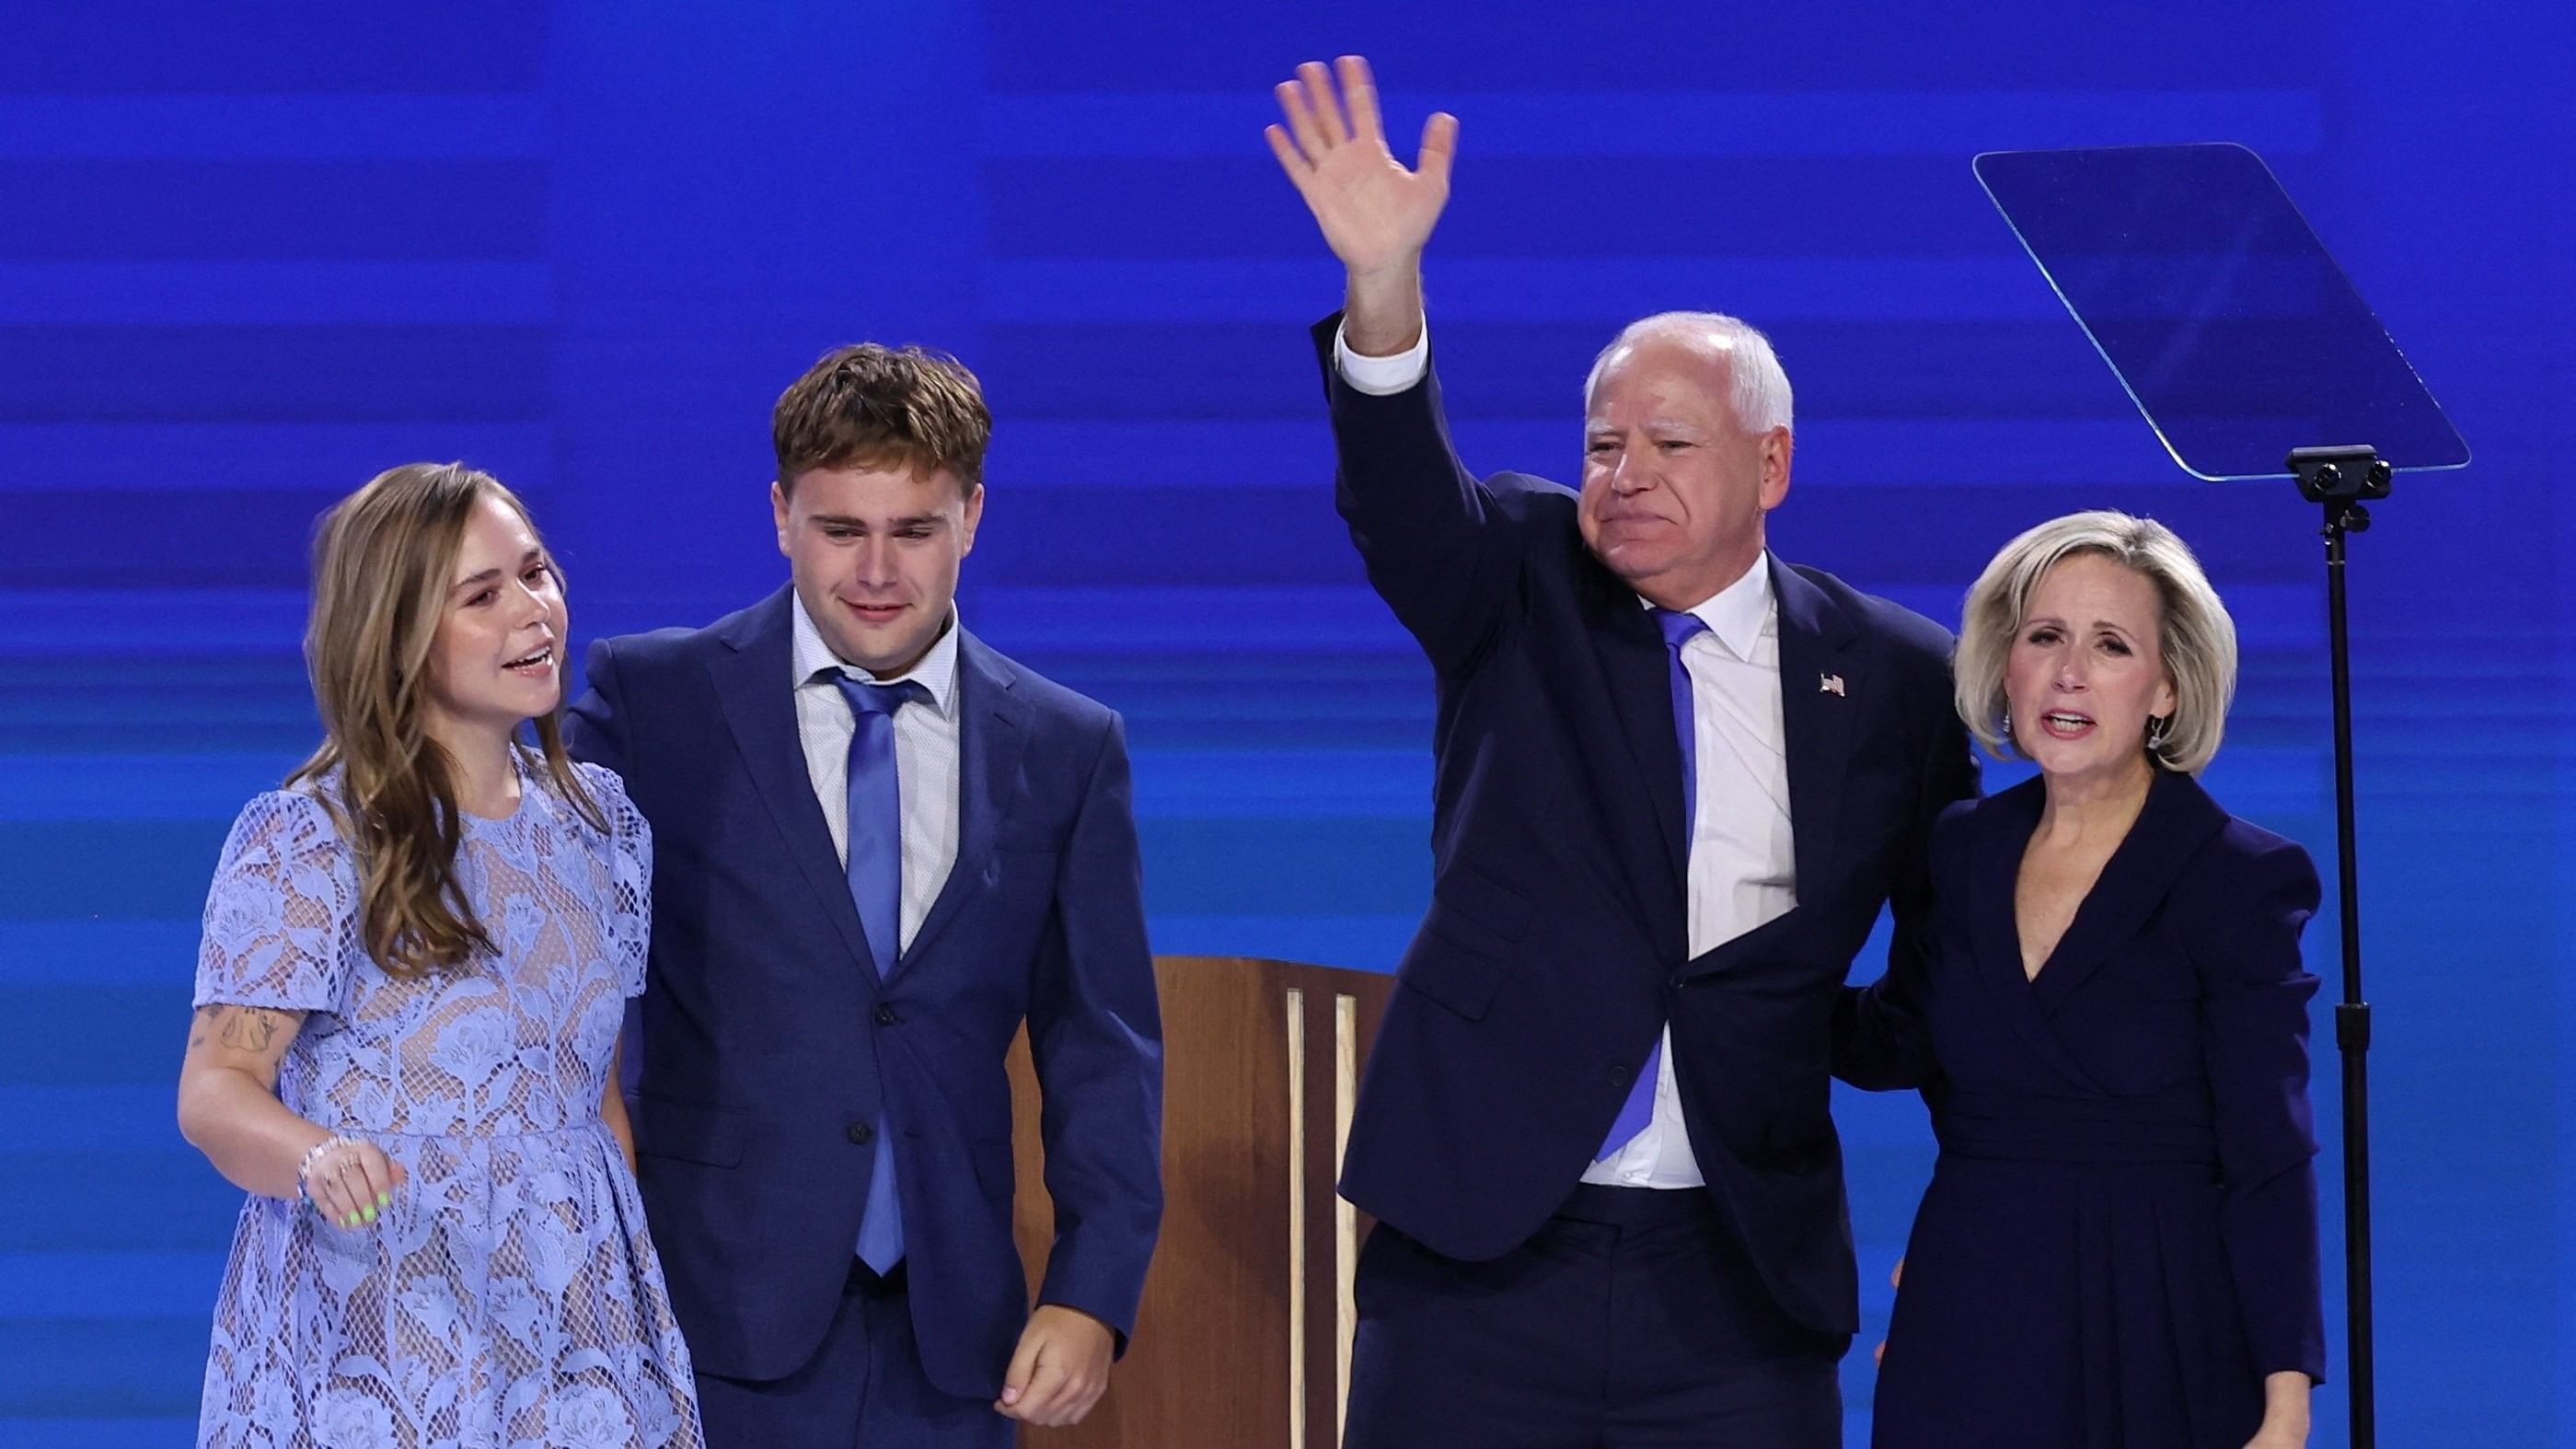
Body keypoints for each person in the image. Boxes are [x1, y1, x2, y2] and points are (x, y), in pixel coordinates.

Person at [1265, 55, 1980, 1448]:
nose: (1622, 473)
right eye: (1601, 442)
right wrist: (1381, 288)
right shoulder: (1518, 578)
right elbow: (1405, 501)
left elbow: (1938, 974)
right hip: (1480, 1249)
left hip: (1736, 1273)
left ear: (1770, 466)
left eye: (1666, 441)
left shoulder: (1895, 673)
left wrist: (1799, 1028)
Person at [565, 343, 1162, 1447]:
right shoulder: (657, 704)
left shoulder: (1069, 748)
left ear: (972, 516)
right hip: (708, 1318)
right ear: (781, 514)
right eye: (842, 530)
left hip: (954, 1340)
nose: (877, 569)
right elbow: (504, 877)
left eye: (914, 530)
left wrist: (1090, 1291)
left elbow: (1101, 1043)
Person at [178, 462, 702, 1448]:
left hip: (571, 1334)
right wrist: (316, 1154)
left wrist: (625, 1312)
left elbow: (593, 1099)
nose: (533, 612)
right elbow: (216, 1088)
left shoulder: (603, 828)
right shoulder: (312, 836)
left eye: (537, 572)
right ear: (401, 634)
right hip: (380, 1317)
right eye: (483, 595)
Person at [1835, 511, 2325, 1448]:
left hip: (2160, 1314)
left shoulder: (2236, 878)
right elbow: (1899, 1036)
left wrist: (2287, 1394)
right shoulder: (1961, 849)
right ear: (2005, 664)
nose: (2069, 672)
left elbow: (2270, 1150)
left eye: (2111, 645)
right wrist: (1737, 978)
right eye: (2045, 636)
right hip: (1971, 1307)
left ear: (2167, 688)